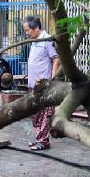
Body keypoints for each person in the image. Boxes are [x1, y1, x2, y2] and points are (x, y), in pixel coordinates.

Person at [23, 15, 60, 151]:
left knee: (44, 114)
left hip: (44, 86)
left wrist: (52, 79)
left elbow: (56, 59)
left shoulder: (47, 40)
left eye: (28, 30)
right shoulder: (34, 40)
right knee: (35, 113)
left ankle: (44, 142)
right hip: (33, 85)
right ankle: (39, 138)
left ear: (36, 27)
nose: (26, 33)